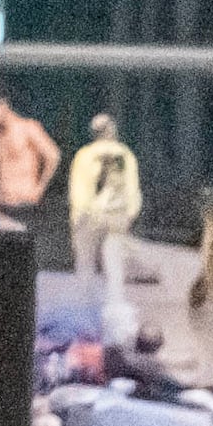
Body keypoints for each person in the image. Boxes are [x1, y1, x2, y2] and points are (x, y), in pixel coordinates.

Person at [0, 87, 65, 267]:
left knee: (20, 258)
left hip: (24, 205)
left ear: (1, 107)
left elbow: (53, 156)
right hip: (1, 205)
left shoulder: (28, 128)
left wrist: (40, 188)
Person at [64, 110, 143, 295]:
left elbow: (79, 190)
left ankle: (85, 300)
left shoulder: (84, 155)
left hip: (89, 216)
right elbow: (132, 187)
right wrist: (131, 213)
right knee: (114, 264)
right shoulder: (125, 154)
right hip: (117, 216)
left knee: (85, 264)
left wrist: (76, 219)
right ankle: (115, 302)